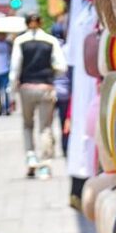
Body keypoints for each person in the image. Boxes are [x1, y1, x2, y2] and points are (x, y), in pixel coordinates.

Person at [10, 12, 67, 180]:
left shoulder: (20, 41)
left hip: (26, 87)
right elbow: (61, 66)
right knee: (45, 127)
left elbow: (15, 69)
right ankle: (45, 165)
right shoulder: (50, 41)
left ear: (26, 24)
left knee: (28, 125)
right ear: (41, 22)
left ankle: (31, 158)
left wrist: (13, 91)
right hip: (45, 88)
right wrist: (50, 76)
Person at [51, 22, 71, 158]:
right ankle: (65, 147)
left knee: (47, 123)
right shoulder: (68, 48)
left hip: (51, 91)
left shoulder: (50, 47)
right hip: (65, 92)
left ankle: (50, 147)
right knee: (64, 121)